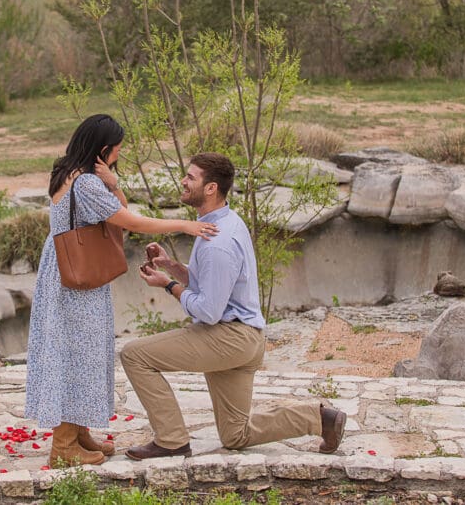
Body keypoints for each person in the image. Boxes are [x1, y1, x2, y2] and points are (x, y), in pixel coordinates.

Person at [120, 152, 347, 460]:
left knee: (134, 355)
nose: (183, 182)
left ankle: (172, 440)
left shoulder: (218, 242)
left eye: (191, 177)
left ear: (211, 188)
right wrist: (172, 266)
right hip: (247, 339)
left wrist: (168, 286)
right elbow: (214, 284)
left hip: (229, 338)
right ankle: (320, 419)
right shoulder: (224, 220)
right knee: (235, 435)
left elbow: (209, 311)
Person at [25, 114, 220, 467]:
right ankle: (64, 446)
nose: (119, 155)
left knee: (81, 351)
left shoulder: (69, 173)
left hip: (67, 273)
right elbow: (129, 220)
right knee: (77, 353)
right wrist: (184, 225)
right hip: (77, 281)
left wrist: (113, 183)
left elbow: (118, 209)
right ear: (102, 150)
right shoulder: (85, 185)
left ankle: (78, 433)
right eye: (116, 150)